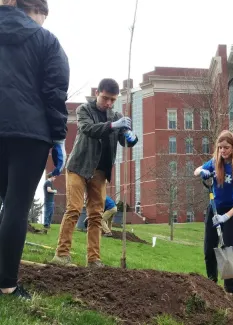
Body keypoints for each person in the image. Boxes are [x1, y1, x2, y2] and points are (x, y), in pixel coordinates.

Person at [0, 0, 69, 299]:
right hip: (30, 134)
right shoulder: (46, 40)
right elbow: (54, 92)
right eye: (44, 16)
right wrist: (58, 138)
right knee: (16, 206)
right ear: (38, 11)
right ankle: (7, 284)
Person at [51, 78, 138, 268]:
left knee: (96, 215)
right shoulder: (84, 110)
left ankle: (93, 260)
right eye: (106, 98)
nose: (108, 103)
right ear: (97, 93)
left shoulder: (116, 116)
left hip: (100, 171)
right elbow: (88, 129)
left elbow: (124, 142)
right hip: (79, 166)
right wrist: (114, 126)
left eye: (112, 100)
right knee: (74, 209)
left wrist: (131, 137)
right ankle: (61, 255)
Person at [194, 130, 233, 294]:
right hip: (214, 209)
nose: (223, 151)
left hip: (231, 213)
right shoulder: (215, 162)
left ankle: (229, 292)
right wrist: (202, 171)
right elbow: (197, 170)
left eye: (226, 147)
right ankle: (212, 286)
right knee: (209, 248)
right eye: (220, 147)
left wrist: (226, 217)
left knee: (228, 251)